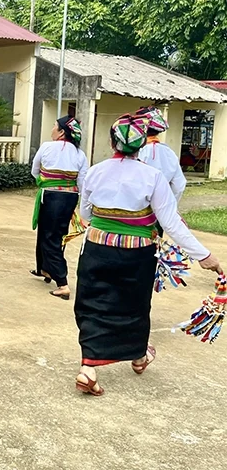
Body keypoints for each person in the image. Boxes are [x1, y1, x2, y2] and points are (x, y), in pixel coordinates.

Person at [74, 114, 222, 396]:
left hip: (96, 247)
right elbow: (170, 222)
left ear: (111, 142)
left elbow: (85, 214)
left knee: (92, 303)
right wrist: (203, 255)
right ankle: (139, 357)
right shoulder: (152, 176)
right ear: (141, 146)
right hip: (136, 253)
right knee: (134, 305)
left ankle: (88, 368)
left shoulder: (95, 171)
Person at [30, 116, 89, 300]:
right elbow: (83, 181)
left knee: (49, 236)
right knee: (57, 233)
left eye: (55, 126)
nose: (52, 128)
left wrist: (45, 181)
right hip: (70, 197)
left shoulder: (47, 147)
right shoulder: (80, 154)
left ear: (62, 131)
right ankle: (45, 269)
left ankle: (62, 283)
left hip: (50, 195)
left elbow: (35, 170)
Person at [136, 106, 186, 202]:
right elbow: (179, 185)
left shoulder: (137, 152)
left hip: (138, 207)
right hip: (161, 206)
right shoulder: (169, 153)